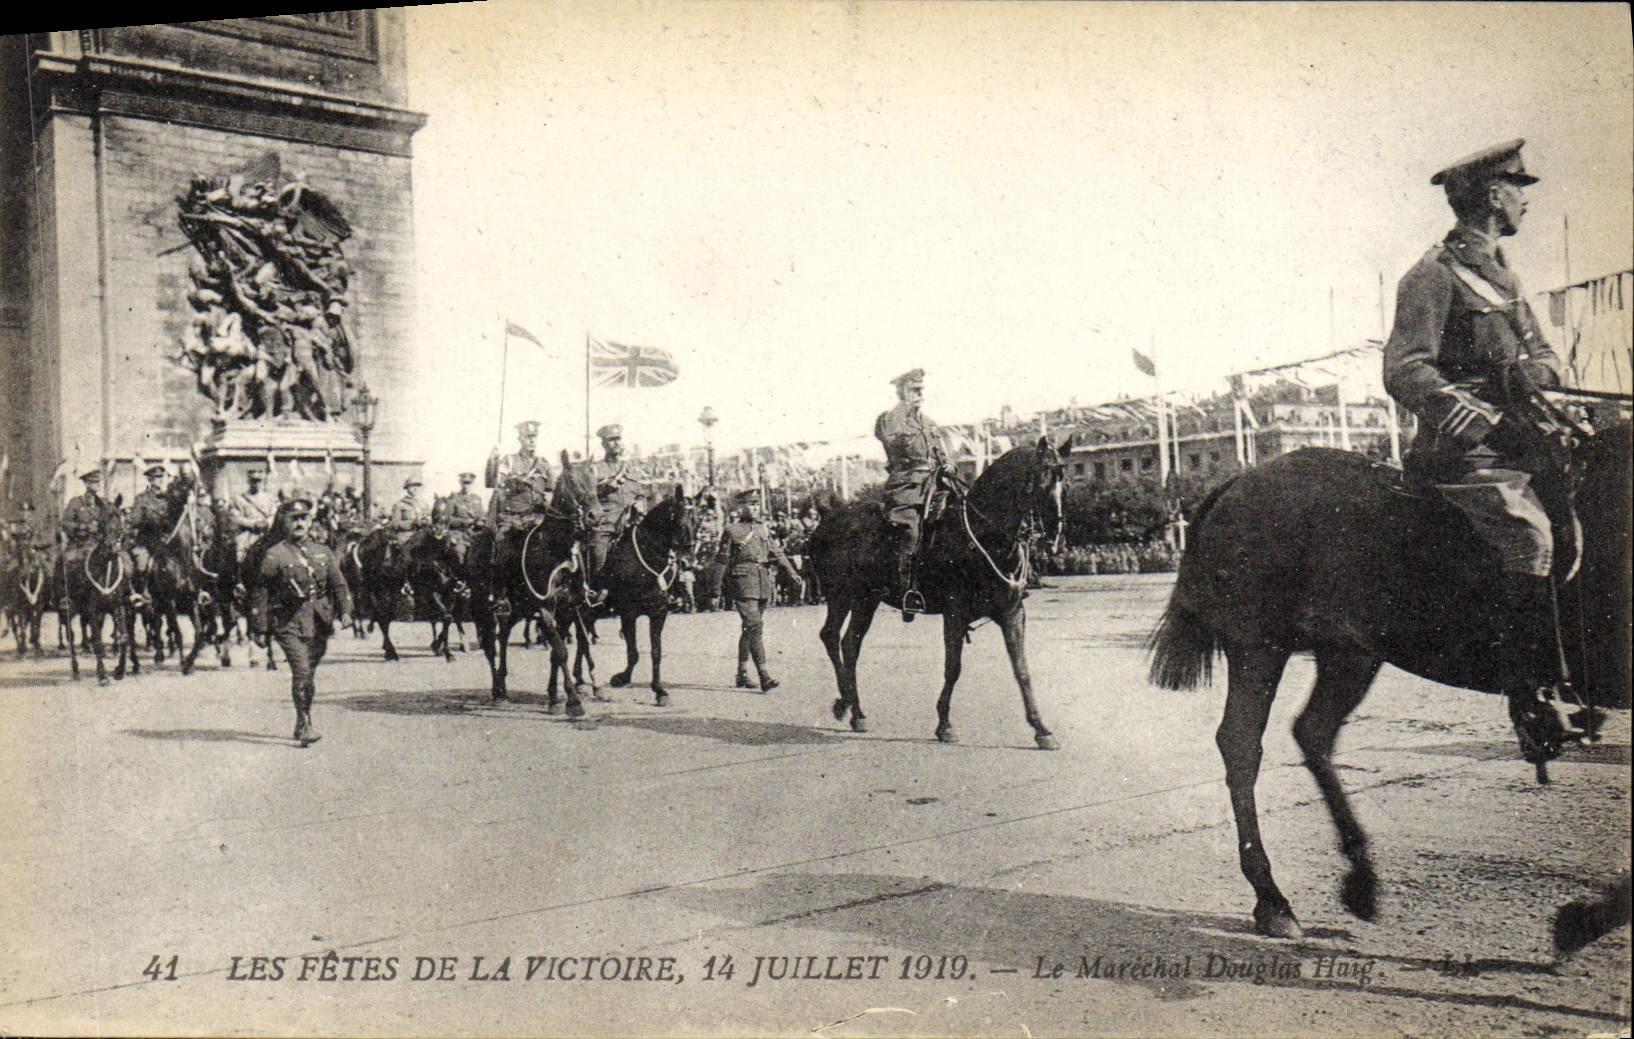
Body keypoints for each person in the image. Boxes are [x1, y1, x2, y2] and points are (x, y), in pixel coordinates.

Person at [1383, 138, 1574, 721]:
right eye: (1520, 188)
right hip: (1468, 453)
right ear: (1494, 194)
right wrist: (1473, 409)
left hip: (1522, 443)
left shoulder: (1504, 279)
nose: (1526, 201)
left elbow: (1545, 357)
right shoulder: (1432, 276)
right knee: (1531, 539)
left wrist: (1529, 379)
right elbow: (1405, 367)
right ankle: (1532, 694)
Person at [250, 495, 352, 747]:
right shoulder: (275, 555)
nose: (299, 523)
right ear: (284, 522)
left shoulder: (322, 551)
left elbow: (338, 584)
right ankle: (305, 724)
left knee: (309, 675)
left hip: (319, 621)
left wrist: (346, 611)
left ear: (310, 521)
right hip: (289, 622)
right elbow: (261, 591)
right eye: (294, 519)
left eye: (303, 518)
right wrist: (260, 628)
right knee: (302, 671)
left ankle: (301, 719)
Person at [874, 367, 947, 619]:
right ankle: (906, 590)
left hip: (935, 484)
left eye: (920, 390)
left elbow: (942, 451)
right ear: (902, 392)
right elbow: (891, 439)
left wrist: (948, 463)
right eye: (913, 390)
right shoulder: (890, 419)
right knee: (911, 532)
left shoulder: (929, 423)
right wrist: (903, 407)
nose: (919, 395)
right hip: (907, 487)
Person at [718, 493, 802, 692]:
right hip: (743, 580)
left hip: (763, 581)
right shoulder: (731, 530)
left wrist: (791, 572)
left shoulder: (763, 528)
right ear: (741, 507)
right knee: (754, 626)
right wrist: (716, 588)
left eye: (757, 504)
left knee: (750, 628)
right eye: (750, 504)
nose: (754, 508)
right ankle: (764, 675)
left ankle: (742, 673)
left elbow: (776, 552)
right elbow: (722, 559)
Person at [584, 423, 644, 604]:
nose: (616, 444)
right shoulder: (595, 469)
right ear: (603, 444)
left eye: (618, 439)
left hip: (631, 523)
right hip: (607, 522)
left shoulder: (631, 469)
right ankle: (599, 590)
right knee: (598, 550)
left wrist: (641, 504)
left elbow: (640, 494)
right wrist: (602, 490)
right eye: (611, 440)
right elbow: (587, 496)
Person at [486, 420, 554, 525]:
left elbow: (551, 491)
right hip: (514, 518)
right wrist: (492, 462)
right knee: (503, 538)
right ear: (520, 439)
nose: (532, 441)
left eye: (534, 437)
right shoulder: (509, 460)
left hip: (539, 517)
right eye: (528, 437)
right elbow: (494, 483)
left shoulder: (544, 464)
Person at [230, 466, 278, 561]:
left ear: (263, 481)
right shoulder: (239, 499)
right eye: (253, 481)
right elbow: (236, 518)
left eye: (259, 481)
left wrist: (267, 523)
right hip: (248, 535)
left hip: (266, 533)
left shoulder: (270, 498)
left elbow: (275, 514)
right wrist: (254, 524)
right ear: (248, 481)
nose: (256, 483)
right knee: (242, 558)